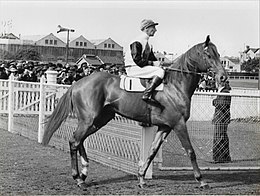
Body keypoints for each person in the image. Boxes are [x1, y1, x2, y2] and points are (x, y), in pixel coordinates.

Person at [125, 19, 165, 103]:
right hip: (133, 68)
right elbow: (137, 60)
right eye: (153, 27)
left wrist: (159, 64)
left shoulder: (148, 44)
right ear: (146, 28)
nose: (155, 30)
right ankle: (147, 94)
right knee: (160, 72)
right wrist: (153, 63)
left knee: (162, 70)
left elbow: (153, 59)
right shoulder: (137, 41)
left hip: (140, 67)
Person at [212, 80, 232, 163]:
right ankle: (223, 157)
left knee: (219, 137)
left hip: (221, 118)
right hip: (220, 118)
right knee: (221, 136)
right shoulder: (223, 92)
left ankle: (219, 157)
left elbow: (221, 104)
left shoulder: (225, 92)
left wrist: (214, 101)